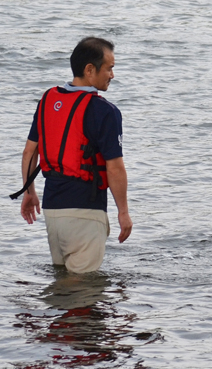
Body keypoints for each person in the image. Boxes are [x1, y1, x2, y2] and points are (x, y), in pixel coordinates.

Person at [14, 37, 132, 274]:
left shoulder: (48, 99)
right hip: (85, 212)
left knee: (63, 283)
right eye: (109, 68)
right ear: (90, 70)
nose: (112, 75)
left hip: (52, 210)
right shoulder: (104, 111)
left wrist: (30, 193)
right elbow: (115, 168)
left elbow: (29, 152)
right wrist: (123, 212)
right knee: (82, 292)